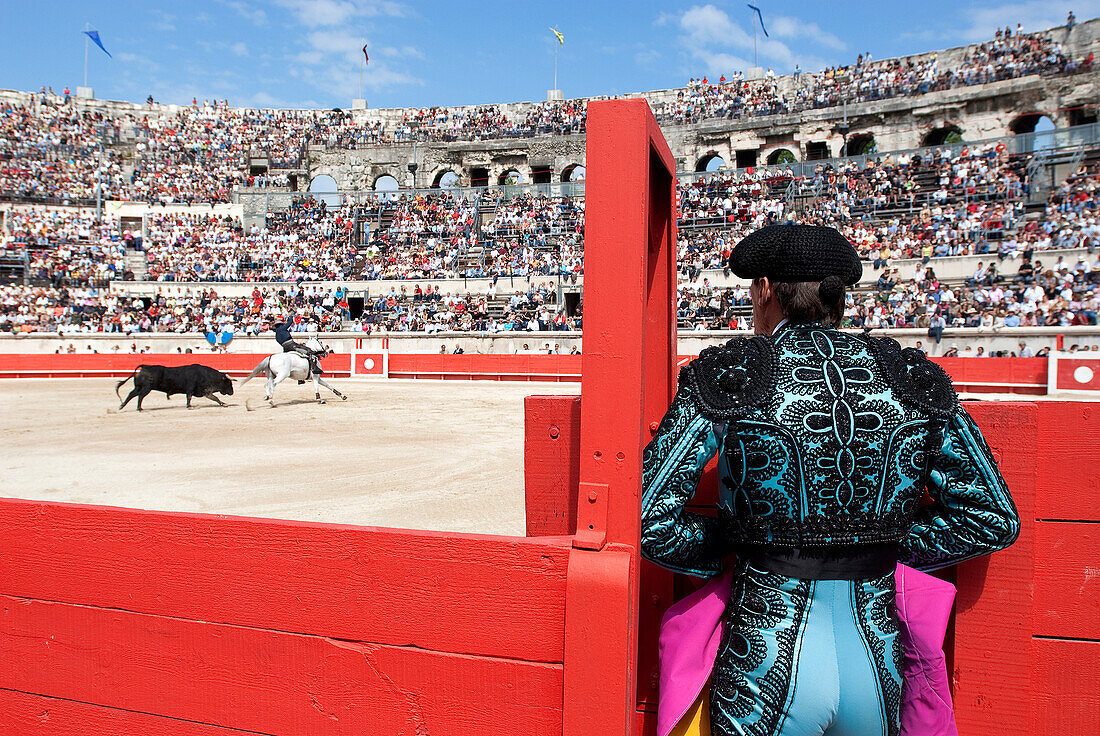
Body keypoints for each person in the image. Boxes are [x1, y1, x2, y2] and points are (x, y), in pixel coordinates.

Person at [641, 225, 1019, 736]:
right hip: (877, 657)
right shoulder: (909, 374)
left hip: (765, 656)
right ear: (838, 296)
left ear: (765, 288)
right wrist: (888, 545)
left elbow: (650, 521)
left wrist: (734, 546)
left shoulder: (733, 372)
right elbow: (993, 518)